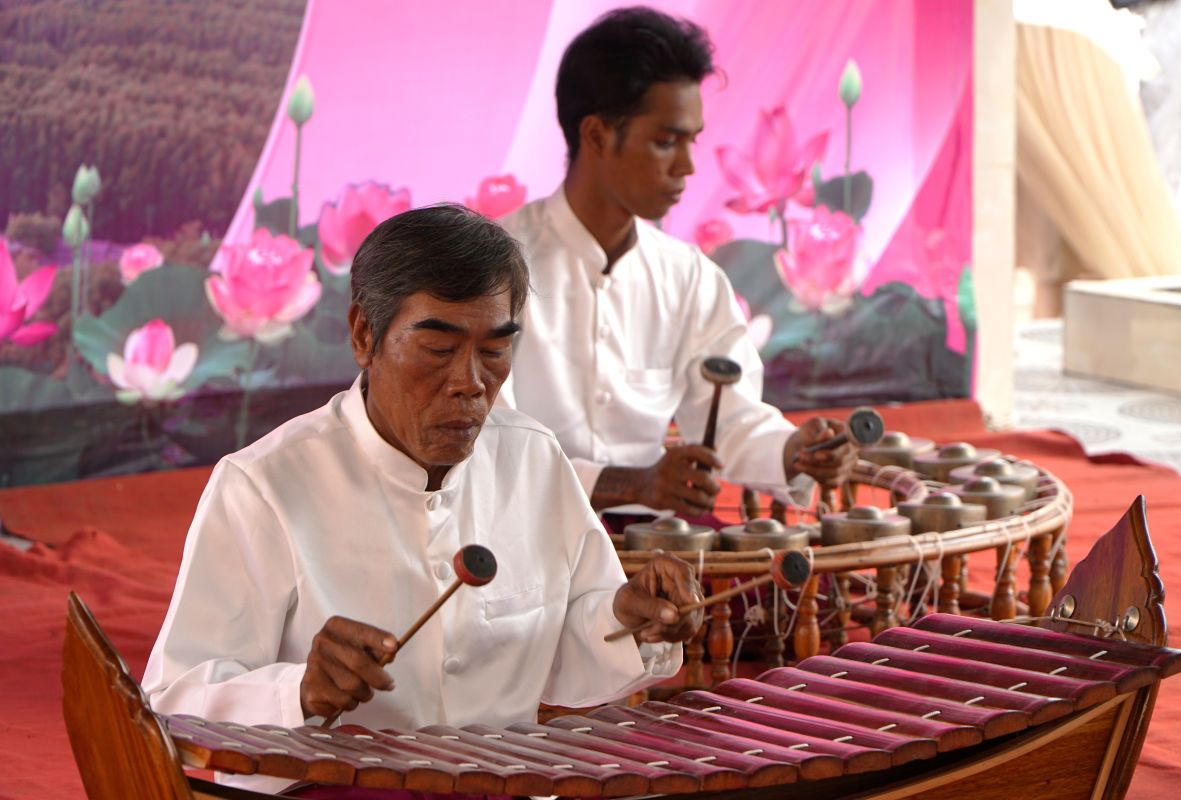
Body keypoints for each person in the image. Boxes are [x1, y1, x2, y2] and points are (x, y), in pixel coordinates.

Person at [142, 205, 703, 795]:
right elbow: (173, 697)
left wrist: (630, 617)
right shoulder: (263, 485)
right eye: (439, 349)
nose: (470, 381)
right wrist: (296, 689)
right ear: (364, 335)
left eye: (494, 351)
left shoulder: (534, 460)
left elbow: (563, 649)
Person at [498, 7, 856, 523]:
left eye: (692, 141)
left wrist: (795, 450)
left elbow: (728, 421)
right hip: (521, 540)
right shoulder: (493, 267)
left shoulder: (689, 276)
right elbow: (486, 444)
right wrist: (630, 483)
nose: (688, 166)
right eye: (666, 141)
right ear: (597, 135)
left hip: (654, 552)